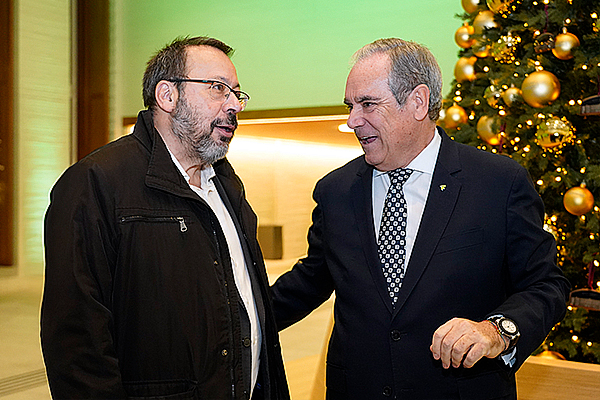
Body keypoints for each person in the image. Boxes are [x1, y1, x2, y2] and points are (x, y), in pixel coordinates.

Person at [271, 38, 570, 399]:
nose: (352, 121)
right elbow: (311, 281)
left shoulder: (497, 182)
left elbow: (545, 285)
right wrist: (231, 320)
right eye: (351, 106)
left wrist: (495, 332)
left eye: (368, 104)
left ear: (417, 101)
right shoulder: (336, 190)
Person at [41, 36, 289, 400]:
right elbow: (78, 345)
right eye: (218, 89)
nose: (235, 105)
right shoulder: (94, 184)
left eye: (237, 93)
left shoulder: (227, 185)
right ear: (168, 96)